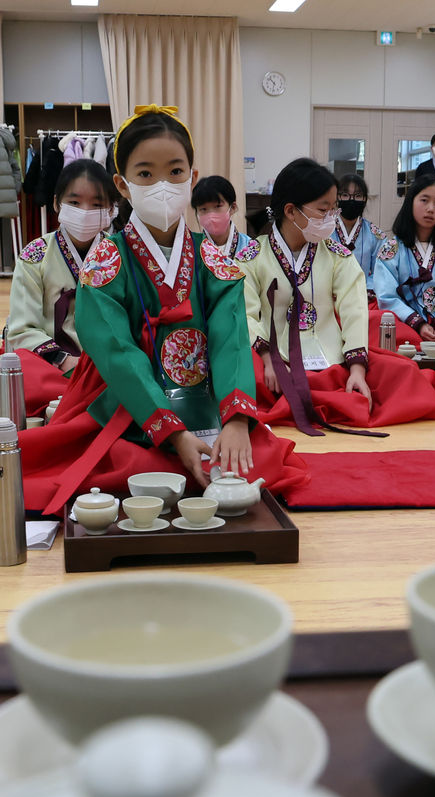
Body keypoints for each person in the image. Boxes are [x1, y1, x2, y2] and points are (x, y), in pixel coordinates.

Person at [19, 104, 306, 514]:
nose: (163, 185)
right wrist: (172, 432)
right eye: (145, 174)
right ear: (122, 183)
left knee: (261, 462)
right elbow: (115, 350)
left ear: (192, 174)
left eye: (175, 172)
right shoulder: (106, 261)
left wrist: (238, 420)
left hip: (207, 397)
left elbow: (231, 338)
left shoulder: (210, 256)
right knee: (128, 469)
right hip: (131, 403)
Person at [238, 157, 435, 434]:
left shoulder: (338, 256)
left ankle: (331, 388)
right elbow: (245, 313)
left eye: (334, 209)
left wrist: (357, 367)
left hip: (333, 358)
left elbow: (354, 311)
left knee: (404, 373)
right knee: (241, 371)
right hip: (273, 359)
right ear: (290, 211)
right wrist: (266, 359)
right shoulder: (251, 256)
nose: (332, 219)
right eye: (324, 210)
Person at [6, 160, 118, 412]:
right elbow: (22, 327)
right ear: (57, 203)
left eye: (97, 204)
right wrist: (63, 360)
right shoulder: (36, 254)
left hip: (109, 368)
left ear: (111, 209)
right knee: (21, 369)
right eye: (75, 202)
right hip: (53, 367)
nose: (85, 211)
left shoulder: (120, 254)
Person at [373, 175, 435, 347]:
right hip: (404, 323)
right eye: (424, 200)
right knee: (378, 322)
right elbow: (386, 295)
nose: (431, 209)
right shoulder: (391, 249)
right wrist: (417, 323)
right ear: (411, 202)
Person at [330, 173, 385, 300]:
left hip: (363, 298)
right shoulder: (324, 231)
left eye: (358, 196)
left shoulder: (375, 235)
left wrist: (365, 291)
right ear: (337, 198)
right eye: (345, 195)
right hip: (330, 298)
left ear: (365, 199)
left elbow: (381, 270)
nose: (351, 200)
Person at [191, 174, 251, 257]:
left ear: (232, 207)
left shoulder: (249, 246)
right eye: (203, 209)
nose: (210, 215)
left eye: (218, 206)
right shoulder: (191, 249)